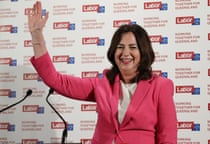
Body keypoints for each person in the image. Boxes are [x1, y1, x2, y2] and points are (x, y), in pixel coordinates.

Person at [28, 1, 177, 144]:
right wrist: (36, 36)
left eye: (133, 47)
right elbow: (57, 81)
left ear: (143, 51)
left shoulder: (160, 86)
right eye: (120, 47)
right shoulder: (102, 84)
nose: (125, 53)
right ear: (113, 51)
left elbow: (167, 138)